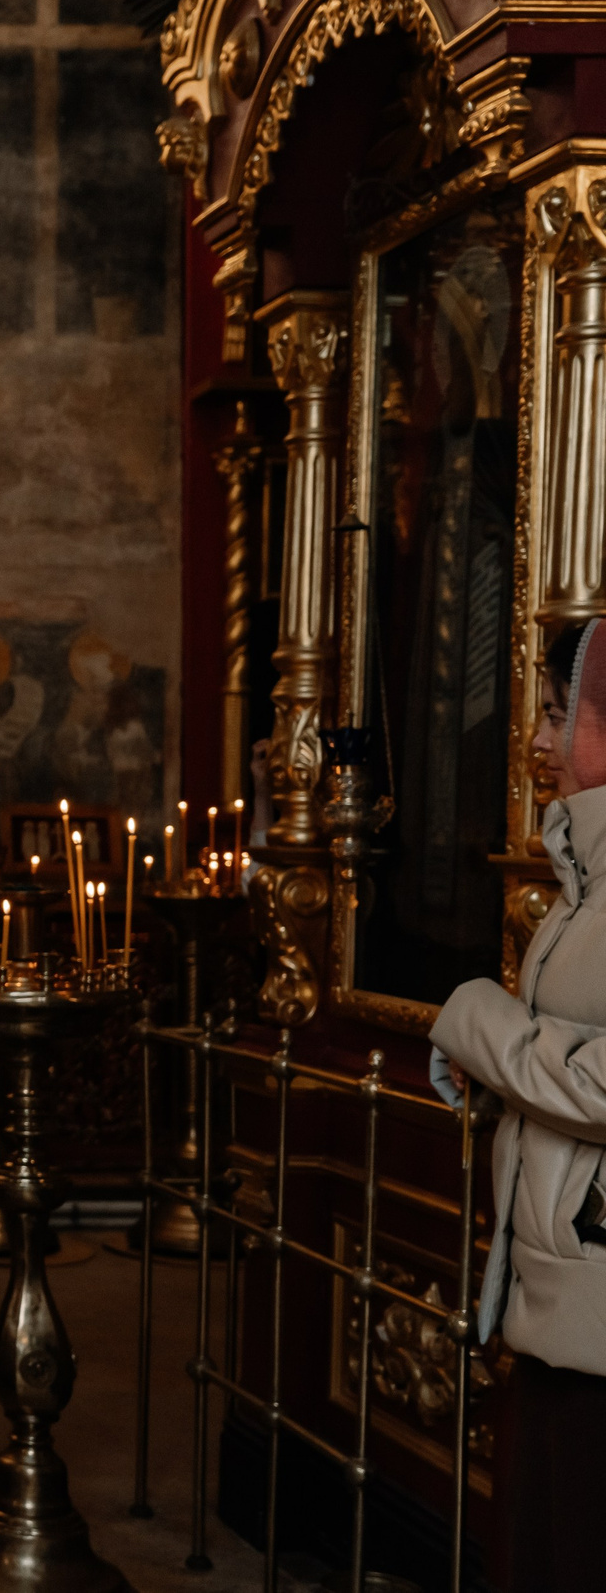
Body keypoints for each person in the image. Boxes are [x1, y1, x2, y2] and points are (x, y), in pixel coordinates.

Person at [429, 617, 606, 1587]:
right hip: (562, 1306)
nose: (534, 740)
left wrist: (473, 1020)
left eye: (553, 713)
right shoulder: (583, 877)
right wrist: (499, 1063)